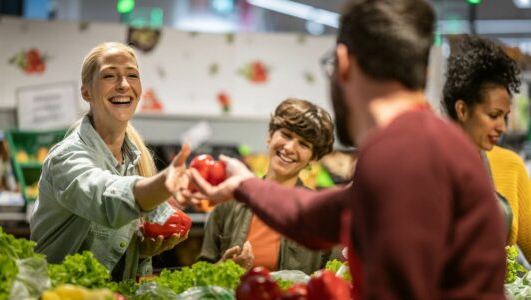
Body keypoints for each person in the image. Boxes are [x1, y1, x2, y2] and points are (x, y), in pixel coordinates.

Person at [186, 0, 507, 298]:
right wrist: (245, 184)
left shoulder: (399, 150)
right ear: (420, 73)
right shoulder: (424, 142)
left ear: (342, 63)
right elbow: (317, 215)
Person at [30, 42, 191, 281]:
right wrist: (164, 183)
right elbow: (106, 199)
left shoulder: (134, 159)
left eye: (132, 75)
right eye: (109, 75)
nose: (124, 84)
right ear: (86, 92)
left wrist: (140, 251)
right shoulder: (66, 158)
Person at [198, 98, 340, 274]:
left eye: (303, 144)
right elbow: (202, 275)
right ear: (270, 136)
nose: (289, 147)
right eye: (286, 135)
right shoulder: (228, 201)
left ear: (312, 158)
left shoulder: (318, 214)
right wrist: (224, 268)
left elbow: (333, 280)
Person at [441, 35, 531, 260]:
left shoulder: (510, 166)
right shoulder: (426, 165)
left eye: (505, 117)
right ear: (462, 110)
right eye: (493, 116)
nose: (502, 128)